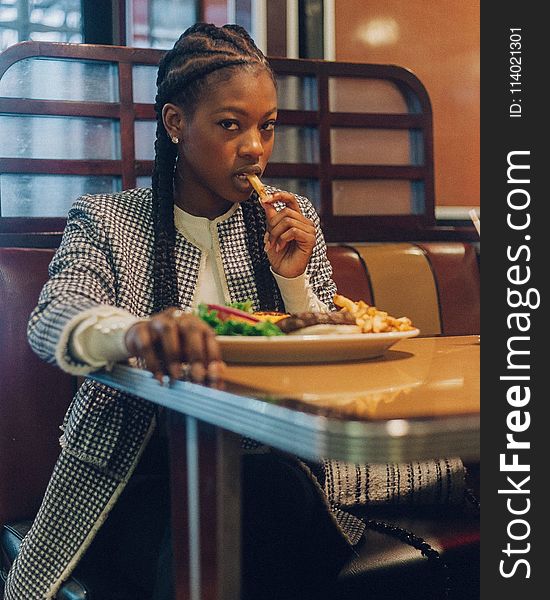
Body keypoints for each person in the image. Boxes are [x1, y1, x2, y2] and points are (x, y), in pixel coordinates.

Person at [5, 22, 471, 600]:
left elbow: (329, 366)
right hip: (139, 476)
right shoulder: (107, 220)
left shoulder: (290, 219)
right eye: (231, 125)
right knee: (242, 512)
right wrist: (137, 333)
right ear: (176, 124)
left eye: (267, 126)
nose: (255, 146)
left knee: (270, 494)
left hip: (280, 470)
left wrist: (294, 284)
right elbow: (53, 317)